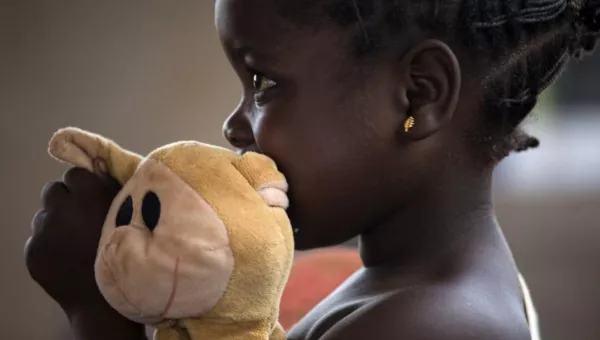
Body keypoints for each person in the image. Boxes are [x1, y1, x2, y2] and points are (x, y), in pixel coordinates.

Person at [25, 0, 600, 339]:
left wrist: (96, 309)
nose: (234, 124)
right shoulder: (404, 283)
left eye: (263, 83)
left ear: (418, 95)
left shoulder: (431, 327)